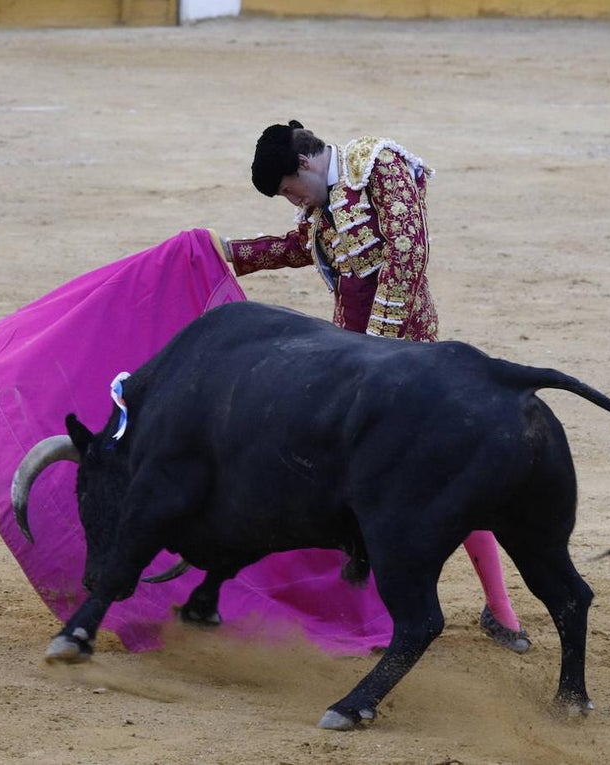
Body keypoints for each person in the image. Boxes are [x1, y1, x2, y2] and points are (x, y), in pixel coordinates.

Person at [221, 120, 530, 654]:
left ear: (306, 164)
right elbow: (297, 248)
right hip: (357, 365)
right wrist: (226, 251)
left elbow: (409, 256)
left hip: (408, 361)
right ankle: (369, 614)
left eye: (290, 190)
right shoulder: (324, 201)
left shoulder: (378, 165)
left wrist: (378, 354)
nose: (294, 201)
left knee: (443, 476)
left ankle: (501, 609)